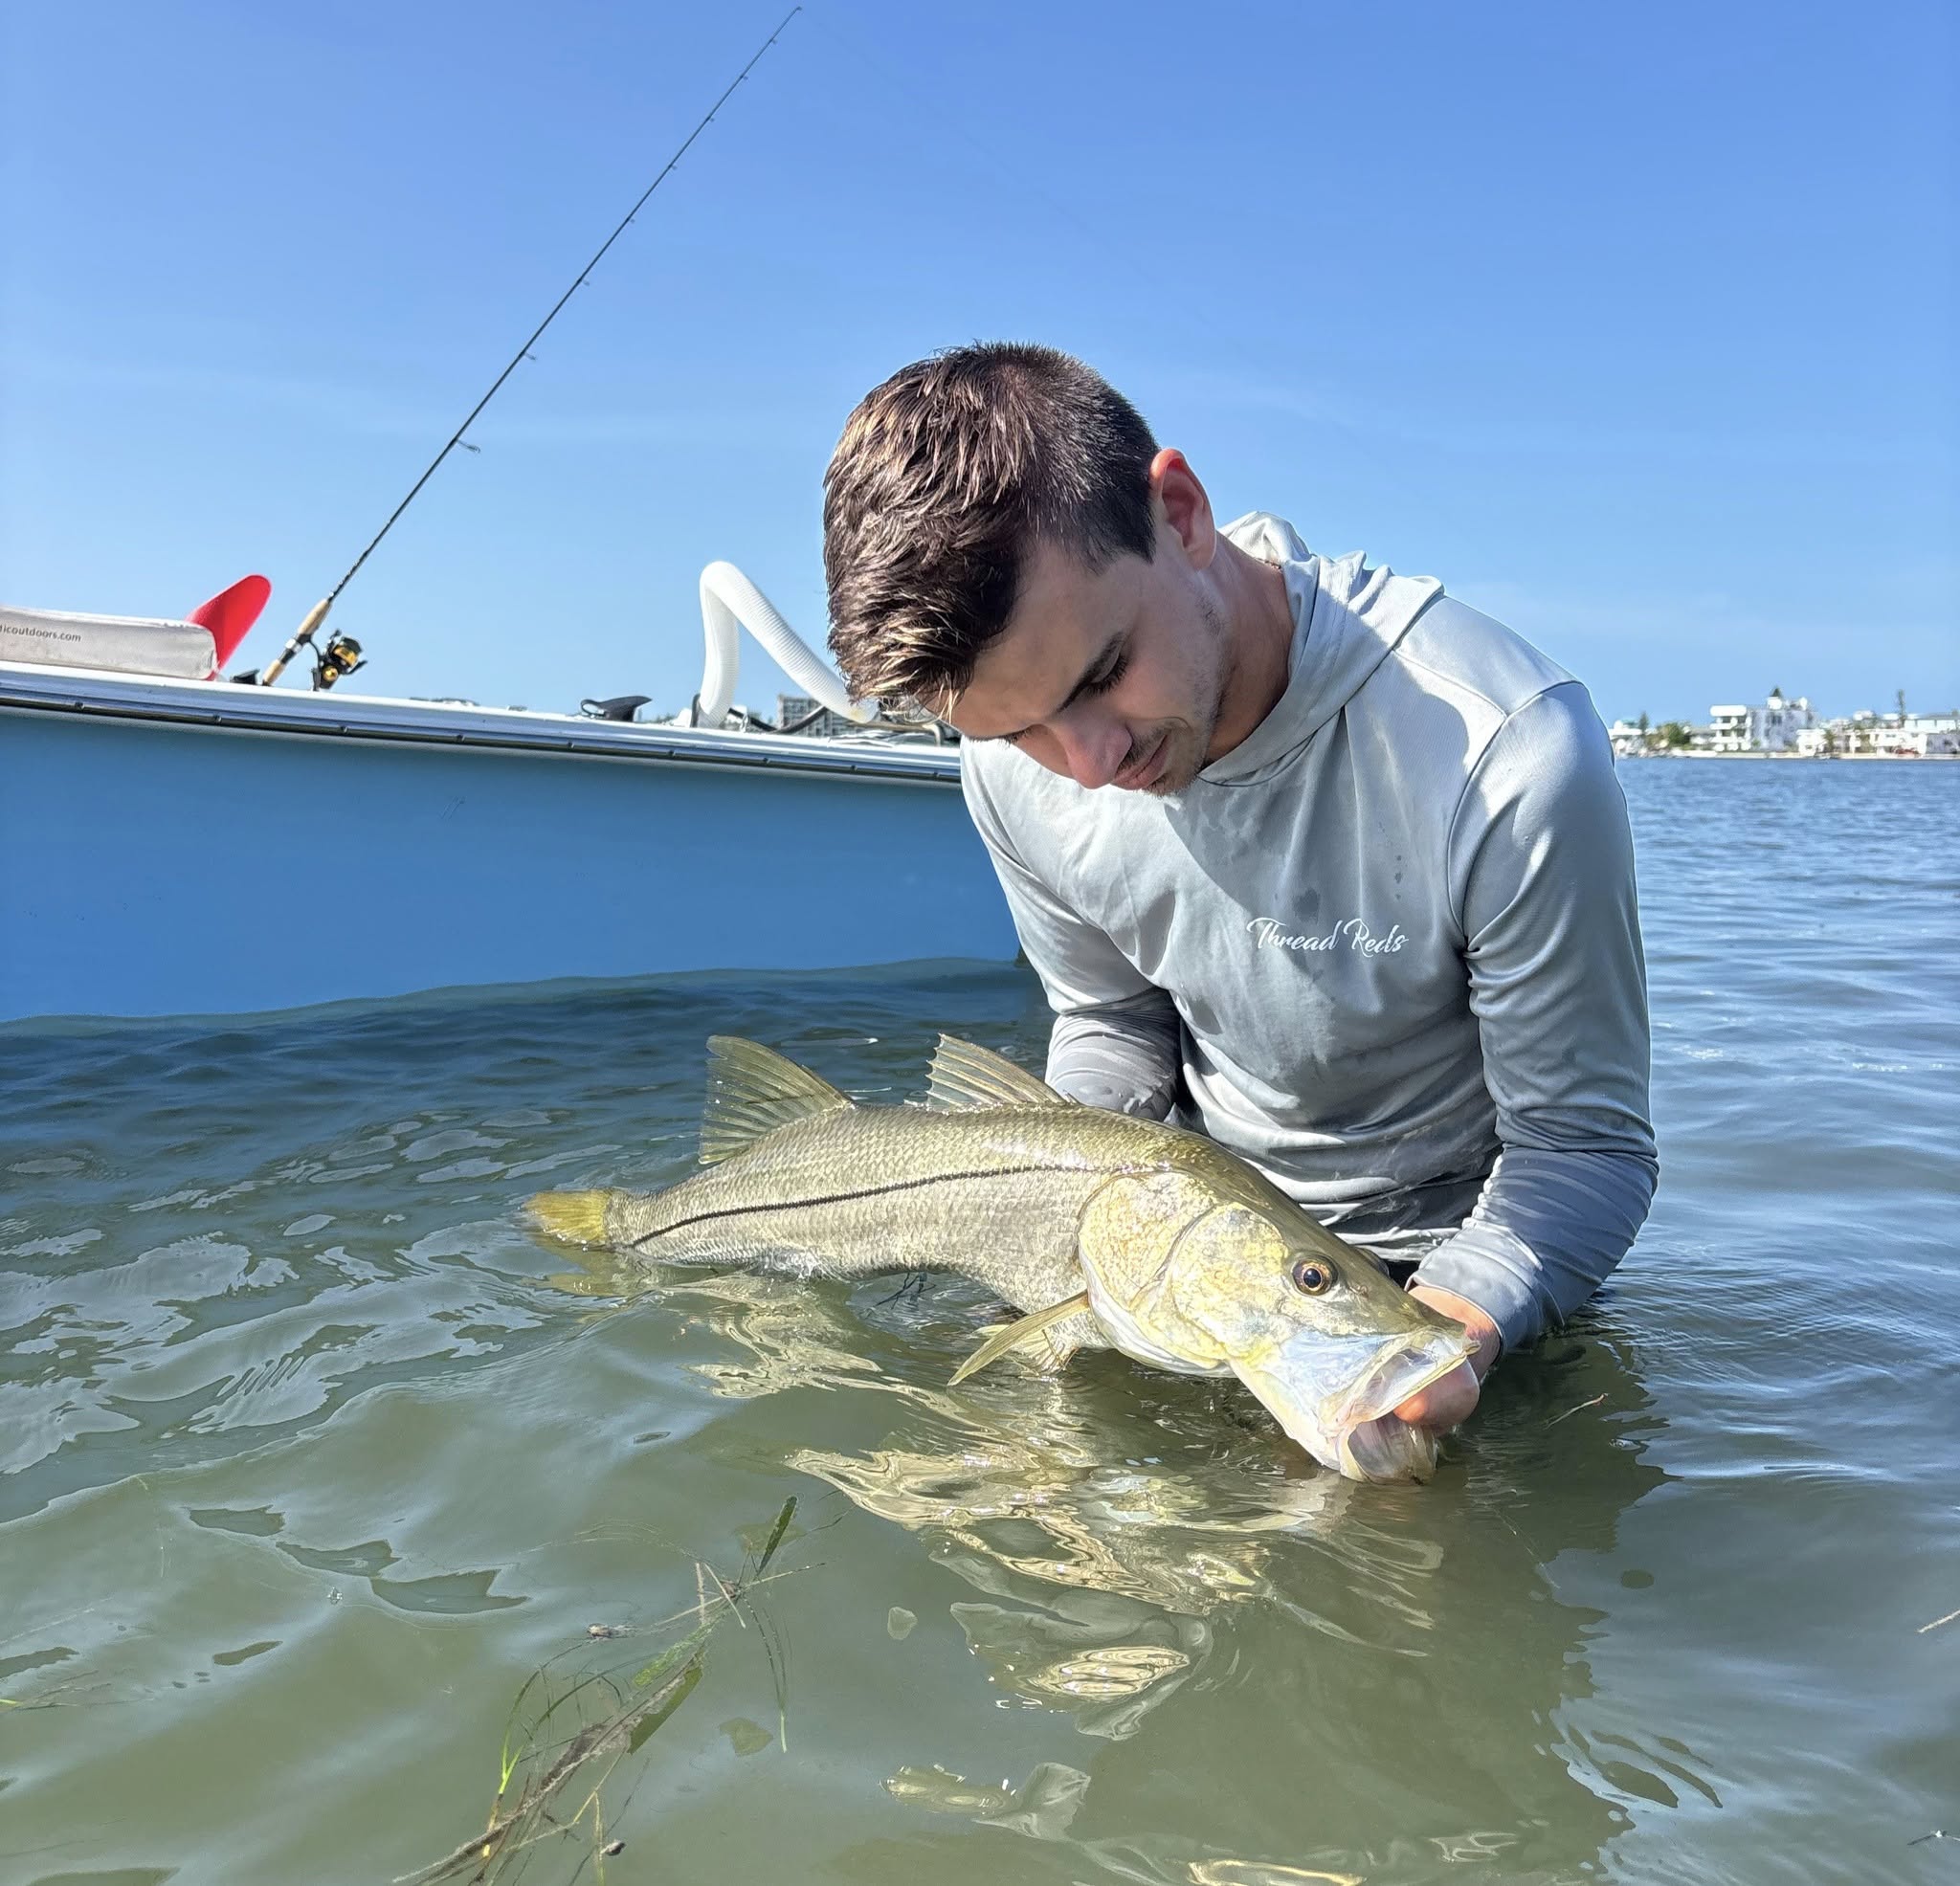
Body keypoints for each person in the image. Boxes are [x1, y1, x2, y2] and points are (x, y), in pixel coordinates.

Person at [822, 343, 1656, 1437]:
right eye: (1017, 729)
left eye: (1098, 676)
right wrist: (1065, 1190)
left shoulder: (1506, 753)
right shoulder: (1006, 772)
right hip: (1173, 1250)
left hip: (1456, 1273)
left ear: (1178, 512)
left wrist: (1435, 1341)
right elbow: (1111, 1019)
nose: (1084, 765)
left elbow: (1581, 1150)